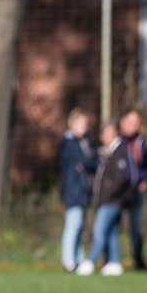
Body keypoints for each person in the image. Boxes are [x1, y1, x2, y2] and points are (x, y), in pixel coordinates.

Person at [76, 122, 131, 277]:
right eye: (104, 133)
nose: (106, 137)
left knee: (99, 230)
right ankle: (114, 262)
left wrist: (106, 195)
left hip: (112, 201)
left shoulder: (119, 152)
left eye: (109, 133)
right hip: (105, 200)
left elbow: (120, 179)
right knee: (112, 232)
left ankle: (90, 262)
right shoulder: (104, 152)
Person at [58, 108, 96, 272]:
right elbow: (85, 162)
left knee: (80, 226)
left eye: (85, 124)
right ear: (72, 124)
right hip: (73, 191)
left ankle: (79, 258)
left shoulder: (85, 142)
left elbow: (91, 163)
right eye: (80, 124)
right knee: (73, 225)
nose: (83, 127)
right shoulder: (69, 143)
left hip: (82, 191)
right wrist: (87, 163)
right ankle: (68, 261)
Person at [119, 109, 147, 270]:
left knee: (136, 228)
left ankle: (138, 261)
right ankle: (111, 260)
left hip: (137, 191)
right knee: (113, 226)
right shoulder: (117, 142)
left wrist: (144, 179)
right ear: (122, 123)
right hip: (118, 191)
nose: (134, 126)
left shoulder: (141, 142)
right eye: (131, 122)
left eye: (137, 123)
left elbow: (146, 164)